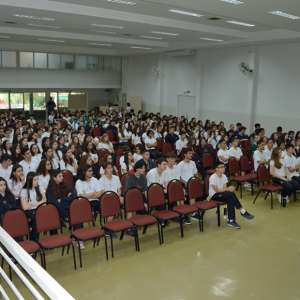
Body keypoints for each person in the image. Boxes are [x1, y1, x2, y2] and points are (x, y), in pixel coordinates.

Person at [209, 161, 254, 229]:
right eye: (221, 167)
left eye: (224, 167)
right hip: (214, 195)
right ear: (216, 169)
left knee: (231, 198)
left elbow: (225, 189)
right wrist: (228, 189)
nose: (223, 168)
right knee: (231, 195)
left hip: (222, 193)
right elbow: (217, 190)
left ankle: (231, 221)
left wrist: (230, 189)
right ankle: (242, 211)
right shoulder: (212, 177)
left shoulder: (224, 176)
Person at [99, 161, 134, 238]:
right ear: (104, 170)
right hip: (107, 199)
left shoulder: (116, 177)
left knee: (128, 204)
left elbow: (119, 191)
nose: (111, 169)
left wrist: (116, 197)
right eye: (108, 168)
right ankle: (107, 230)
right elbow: (103, 193)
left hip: (116, 197)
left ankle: (129, 228)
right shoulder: (101, 180)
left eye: (111, 167)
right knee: (113, 206)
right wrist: (114, 198)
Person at [177, 148, 204, 223]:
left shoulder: (192, 163)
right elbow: (178, 178)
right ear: (184, 154)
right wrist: (186, 182)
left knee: (204, 189)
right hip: (184, 183)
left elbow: (196, 174)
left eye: (191, 153)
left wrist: (198, 181)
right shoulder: (180, 164)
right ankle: (189, 213)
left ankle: (192, 207)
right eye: (189, 153)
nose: (191, 155)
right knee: (190, 191)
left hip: (193, 183)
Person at [20, 172, 47, 241]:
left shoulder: (40, 187)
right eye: (34, 180)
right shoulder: (24, 190)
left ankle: (53, 238)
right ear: (30, 180)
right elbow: (25, 207)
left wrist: (31, 203)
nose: (37, 181)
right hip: (29, 212)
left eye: (37, 179)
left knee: (50, 215)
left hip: (40, 210)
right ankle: (34, 240)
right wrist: (39, 203)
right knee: (37, 220)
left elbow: (44, 203)